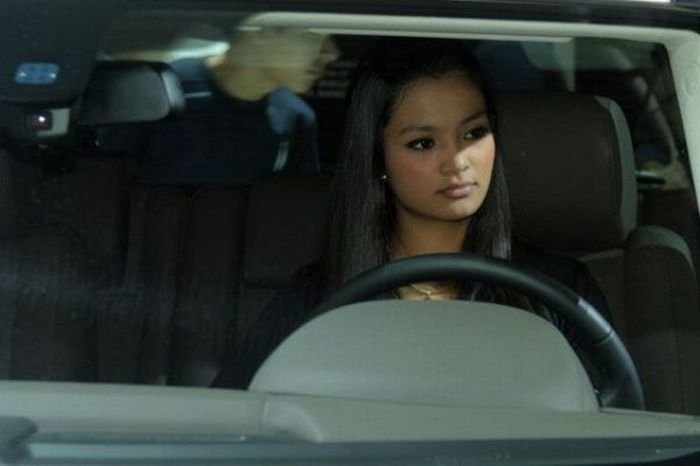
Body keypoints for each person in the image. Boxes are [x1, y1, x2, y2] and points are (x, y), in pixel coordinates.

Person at [213, 37, 611, 388]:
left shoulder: (560, 295)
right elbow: (238, 419)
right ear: (378, 157)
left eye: (474, 133)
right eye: (423, 143)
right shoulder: (317, 297)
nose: (457, 162)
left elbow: (612, 432)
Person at [104, 25, 340, 183]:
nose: (331, 53)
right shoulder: (157, 90)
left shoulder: (295, 118)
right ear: (261, 30)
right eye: (311, 36)